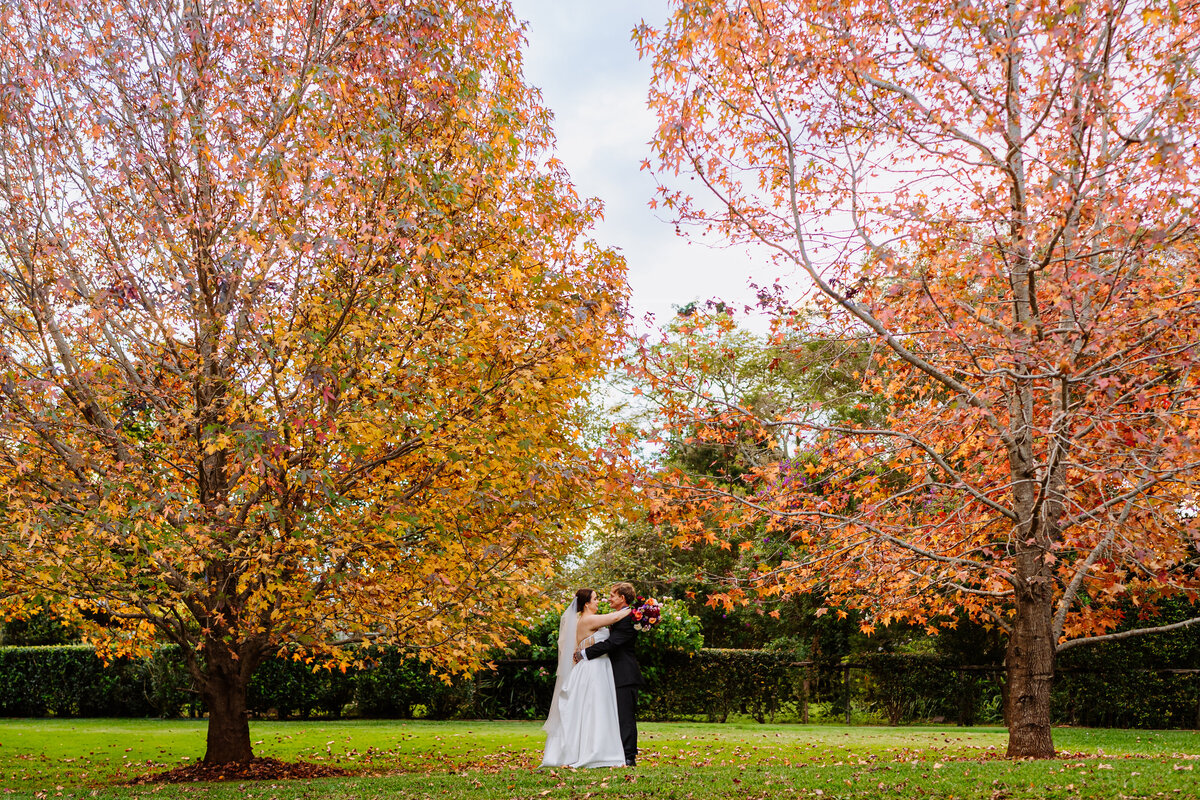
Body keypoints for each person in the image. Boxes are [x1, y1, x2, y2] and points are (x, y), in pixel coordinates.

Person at [540, 588, 630, 768]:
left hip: (597, 666)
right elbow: (615, 617)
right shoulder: (588, 619)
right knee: (594, 708)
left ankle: (598, 748)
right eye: (595, 599)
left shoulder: (585, 619)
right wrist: (640, 610)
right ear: (587, 603)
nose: (598, 601)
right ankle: (595, 751)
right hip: (593, 668)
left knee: (594, 708)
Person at [576, 582, 643, 767]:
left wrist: (584, 653)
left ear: (622, 598)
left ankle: (629, 756)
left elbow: (612, 643)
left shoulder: (628, 618)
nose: (609, 599)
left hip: (625, 674)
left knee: (625, 717)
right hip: (610, 673)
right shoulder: (618, 616)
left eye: (612, 595)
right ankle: (614, 753)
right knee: (613, 716)